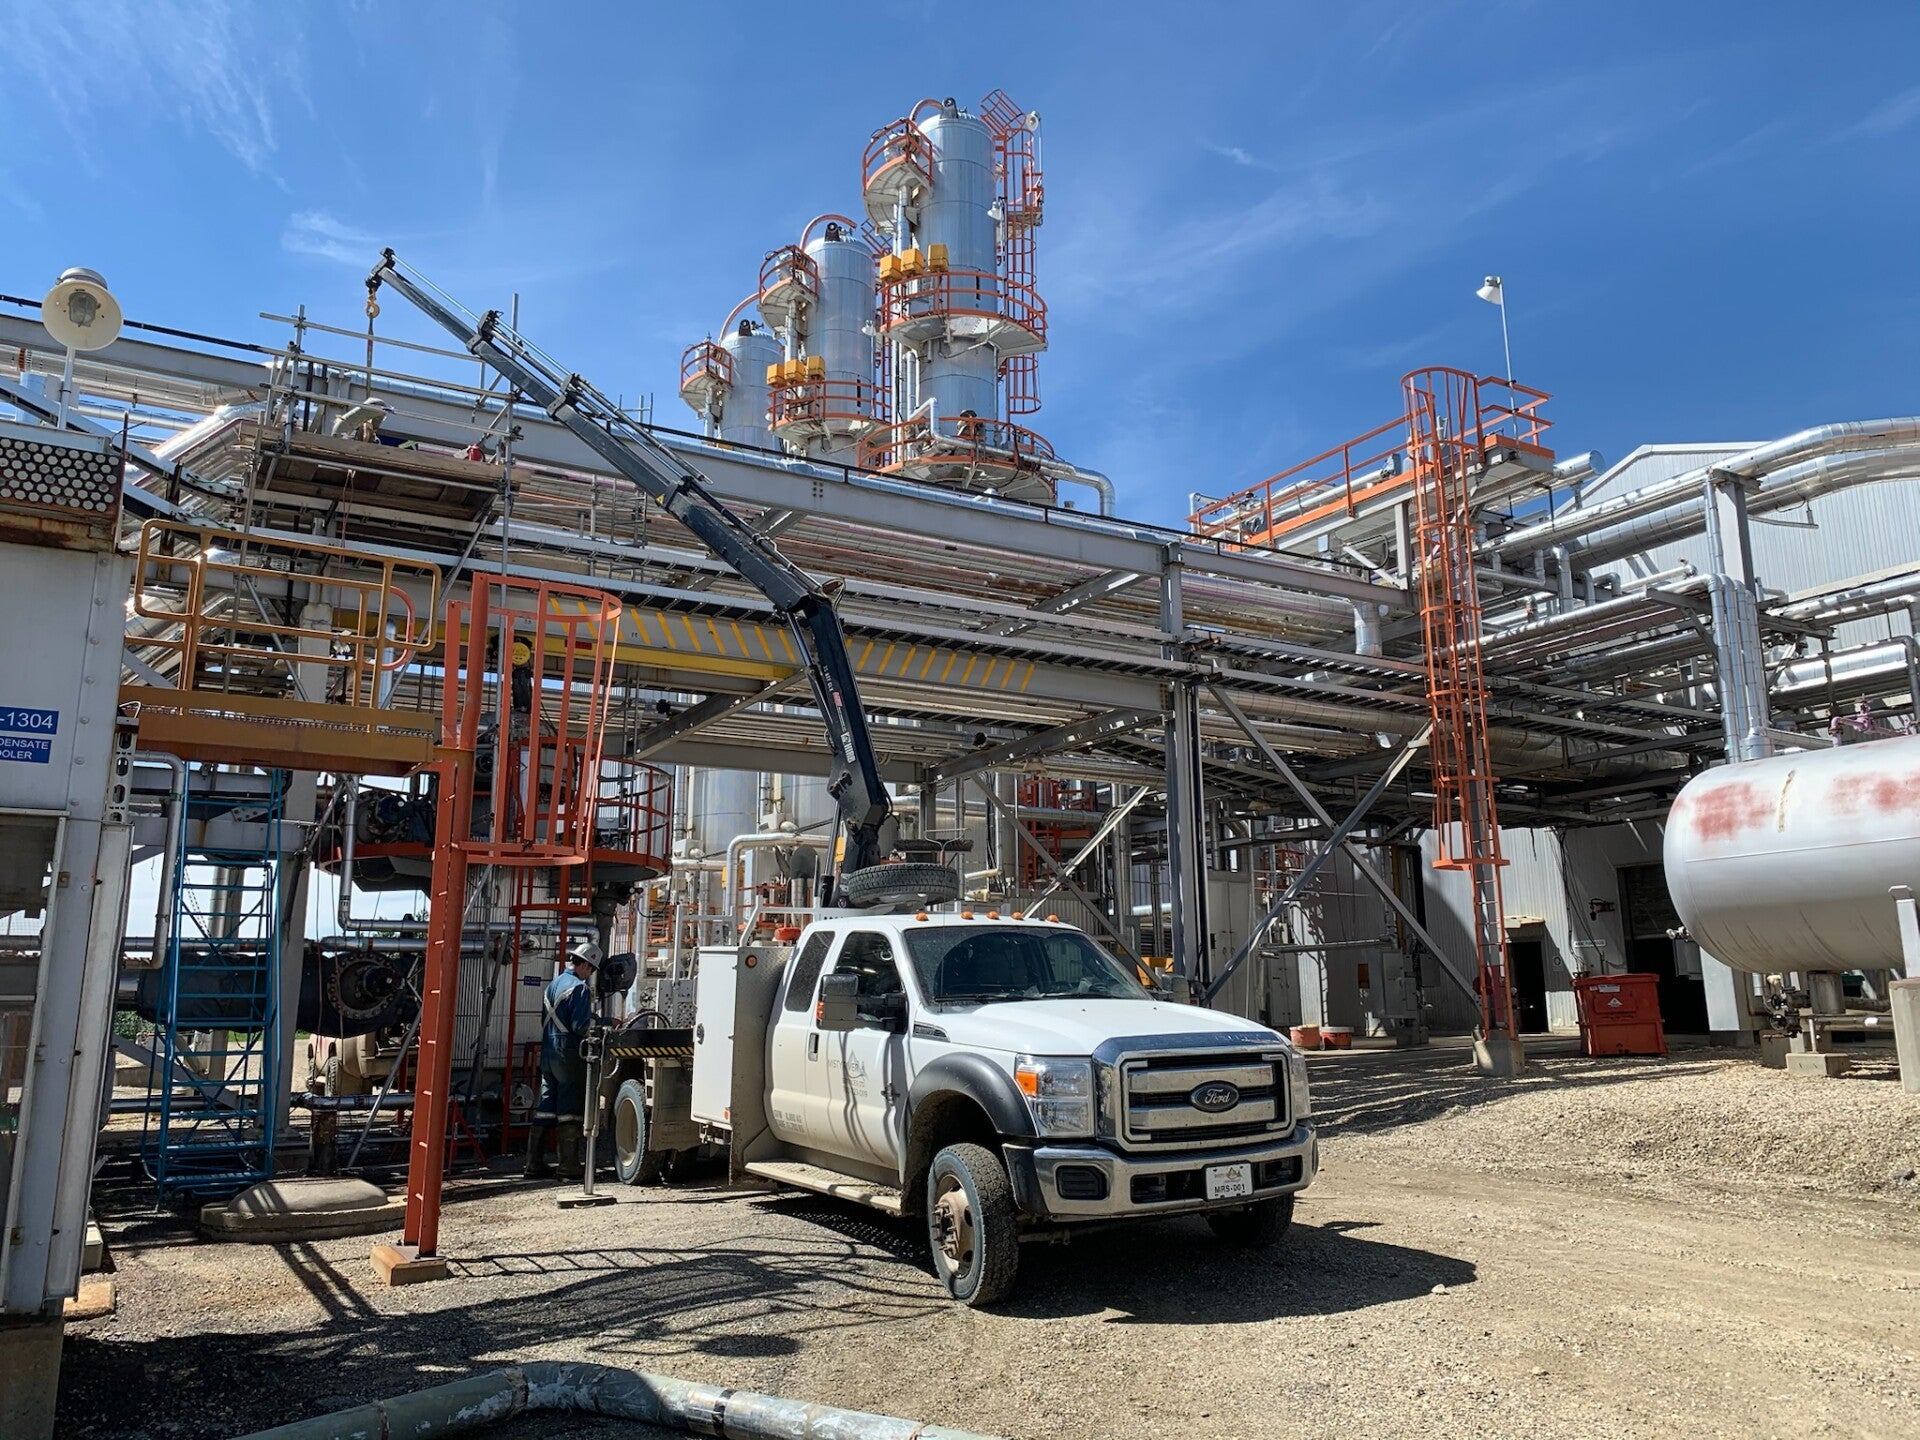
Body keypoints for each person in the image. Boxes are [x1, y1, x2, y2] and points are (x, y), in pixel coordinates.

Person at [526, 939, 599, 1182]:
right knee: (569, 1110)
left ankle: (533, 1164)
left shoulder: (553, 985)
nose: (590, 975)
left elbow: (545, 1020)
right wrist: (604, 1023)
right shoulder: (579, 988)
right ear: (586, 966)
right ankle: (568, 1166)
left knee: (546, 1106)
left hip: (548, 1052)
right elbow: (580, 1026)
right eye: (591, 970)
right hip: (568, 1055)